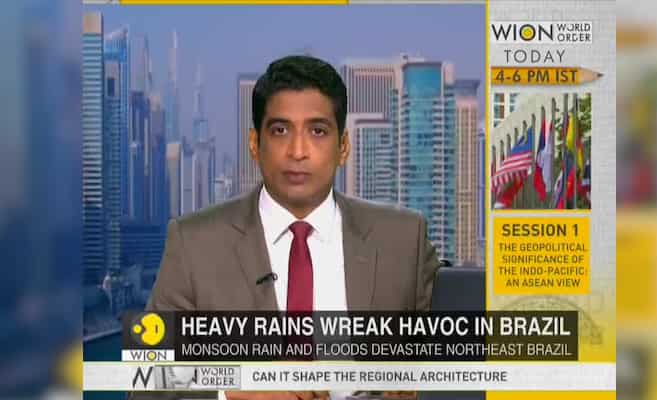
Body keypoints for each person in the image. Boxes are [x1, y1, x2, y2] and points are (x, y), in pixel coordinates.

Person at [146, 55, 441, 400]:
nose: (298, 151)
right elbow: (148, 386)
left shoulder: (404, 240)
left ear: (343, 147)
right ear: (255, 144)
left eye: (318, 131)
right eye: (280, 131)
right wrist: (233, 394)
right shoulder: (194, 244)